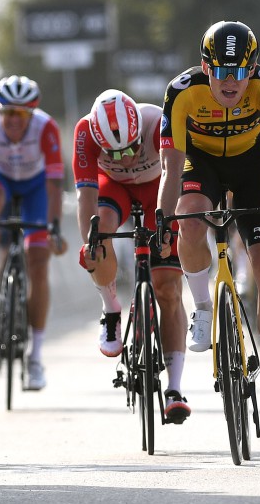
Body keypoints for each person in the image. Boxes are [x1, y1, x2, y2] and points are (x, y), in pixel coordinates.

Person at [157, 20, 260, 434]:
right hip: (204, 164)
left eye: (239, 72)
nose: (230, 82)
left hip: (253, 168)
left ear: (252, 69)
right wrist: (163, 220)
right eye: (221, 71)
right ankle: (202, 306)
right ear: (206, 66)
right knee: (190, 223)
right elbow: (171, 166)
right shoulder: (181, 91)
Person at [73, 89, 191, 423]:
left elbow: (175, 174)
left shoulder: (157, 121)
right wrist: (90, 245)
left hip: (158, 187)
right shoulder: (85, 132)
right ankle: (111, 309)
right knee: (101, 231)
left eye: (131, 147)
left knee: (167, 288)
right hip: (113, 188)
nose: (125, 157)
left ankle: (175, 387)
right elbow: (85, 196)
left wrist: (166, 229)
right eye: (115, 151)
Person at [0, 75, 68, 391]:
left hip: (36, 187)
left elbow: (54, 184)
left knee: (38, 260)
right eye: (7, 113)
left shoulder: (45, 127)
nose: (13, 120)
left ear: (32, 113)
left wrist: (55, 229)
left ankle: (36, 357)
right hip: (1, 180)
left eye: (20, 114)